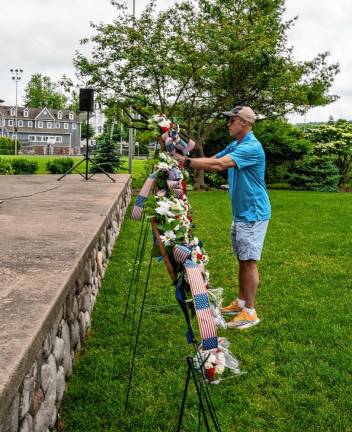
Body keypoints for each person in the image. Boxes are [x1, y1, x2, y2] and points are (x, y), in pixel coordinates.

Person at [175, 106, 271, 329]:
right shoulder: (236, 144)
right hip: (242, 213)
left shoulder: (251, 147)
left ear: (245, 123)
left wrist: (184, 161)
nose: (228, 124)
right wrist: (184, 154)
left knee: (249, 261)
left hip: (253, 214)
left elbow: (219, 164)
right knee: (242, 259)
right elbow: (213, 161)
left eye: (232, 120)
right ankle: (240, 303)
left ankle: (250, 312)